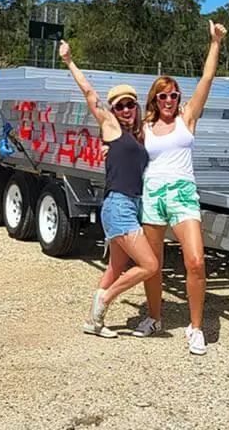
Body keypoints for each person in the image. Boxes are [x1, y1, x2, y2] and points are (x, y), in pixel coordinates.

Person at [132, 20, 227, 355]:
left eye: (173, 95)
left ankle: (196, 327)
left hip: (184, 193)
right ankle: (154, 318)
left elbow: (207, 79)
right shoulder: (144, 125)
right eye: (163, 96)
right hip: (153, 195)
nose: (169, 100)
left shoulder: (188, 118)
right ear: (155, 100)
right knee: (153, 263)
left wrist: (214, 43)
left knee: (196, 261)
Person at [59, 40, 158, 338]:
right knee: (150, 264)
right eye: (120, 105)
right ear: (113, 110)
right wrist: (69, 61)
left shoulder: (139, 135)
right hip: (118, 206)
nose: (126, 109)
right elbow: (90, 94)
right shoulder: (112, 127)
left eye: (130, 104)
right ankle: (105, 299)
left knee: (116, 267)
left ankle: (93, 322)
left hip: (131, 205)